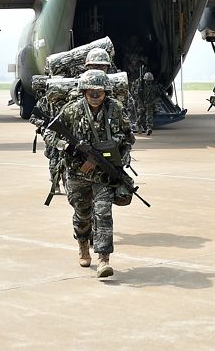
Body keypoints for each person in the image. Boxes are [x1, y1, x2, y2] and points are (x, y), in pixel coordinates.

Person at [44, 69, 135, 278]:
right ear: (84, 91)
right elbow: (49, 132)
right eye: (91, 92)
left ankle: (104, 259)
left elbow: (129, 136)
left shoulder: (116, 110)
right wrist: (64, 145)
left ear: (106, 92)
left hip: (103, 175)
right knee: (82, 215)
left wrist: (117, 146)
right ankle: (83, 244)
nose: (95, 96)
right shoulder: (72, 110)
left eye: (99, 92)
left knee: (103, 214)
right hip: (77, 174)